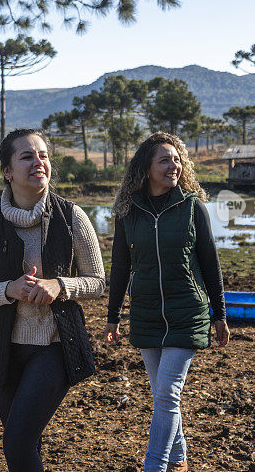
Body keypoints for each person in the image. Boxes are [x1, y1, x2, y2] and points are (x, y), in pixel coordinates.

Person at [0, 128, 105, 472]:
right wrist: (9, 289)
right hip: (4, 349)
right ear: (8, 171)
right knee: (26, 444)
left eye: (43, 155)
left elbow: (99, 282)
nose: (38, 162)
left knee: (16, 442)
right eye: (26, 156)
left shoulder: (73, 217)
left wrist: (60, 285)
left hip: (55, 347)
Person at [105, 131, 229, 472]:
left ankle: (154, 466)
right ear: (146, 168)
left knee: (167, 395)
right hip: (145, 313)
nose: (173, 165)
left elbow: (210, 262)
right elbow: (119, 265)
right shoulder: (129, 211)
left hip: (187, 311)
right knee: (162, 396)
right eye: (165, 160)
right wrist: (113, 315)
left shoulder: (192, 207)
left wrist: (219, 313)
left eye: (177, 159)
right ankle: (178, 460)